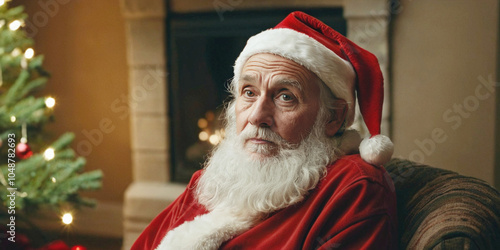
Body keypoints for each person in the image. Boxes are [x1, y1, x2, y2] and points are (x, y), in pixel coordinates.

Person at [132, 11, 397, 250]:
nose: (257, 116)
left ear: (333, 117)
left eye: (286, 97)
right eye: (249, 92)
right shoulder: (213, 181)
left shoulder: (354, 187)